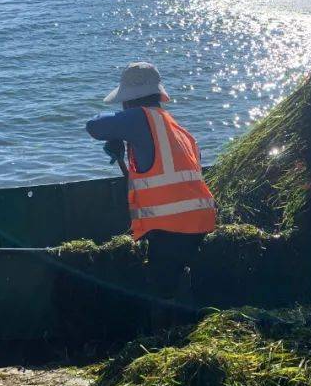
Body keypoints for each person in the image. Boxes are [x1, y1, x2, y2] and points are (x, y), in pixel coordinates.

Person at [86, 62, 216, 294]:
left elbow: (94, 126)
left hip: (172, 228)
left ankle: (166, 313)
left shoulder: (138, 118)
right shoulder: (177, 129)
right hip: (199, 221)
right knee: (174, 282)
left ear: (128, 101)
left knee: (160, 292)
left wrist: (118, 133)